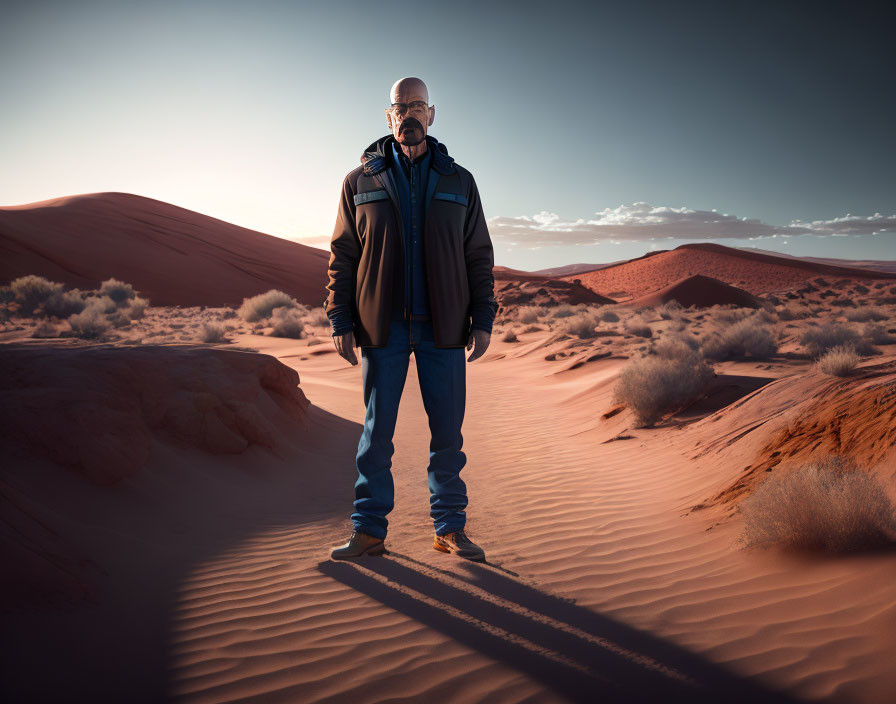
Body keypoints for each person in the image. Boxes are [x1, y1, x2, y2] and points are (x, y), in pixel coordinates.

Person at [324, 76, 498, 562]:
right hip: (384, 328)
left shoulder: (459, 181)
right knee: (376, 434)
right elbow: (342, 256)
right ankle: (368, 530)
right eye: (400, 107)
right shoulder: (360, 181)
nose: (409, 115)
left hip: (444, 327)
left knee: (447, 433)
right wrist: (340, 318)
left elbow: (479, 255)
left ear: (433, 113)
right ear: (388, 115)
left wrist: (482, 317)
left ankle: (449, 528)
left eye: (418, 105)